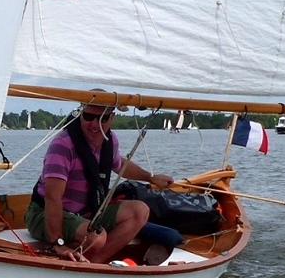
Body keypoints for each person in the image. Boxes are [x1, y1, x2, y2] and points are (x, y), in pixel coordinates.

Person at [25, 102, 174, 263]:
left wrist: (150, 177)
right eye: (89, 116)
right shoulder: (63, 145)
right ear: (81, 114)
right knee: (96, 238)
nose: (95, 124)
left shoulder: (110, 141)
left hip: (86, 213)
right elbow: (52, 196)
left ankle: (93, 263)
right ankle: (73, 261)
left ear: (112, 117)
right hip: (44, 214)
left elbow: (119, 164)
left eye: (103, 118)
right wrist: (58, 243)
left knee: (140, 211)